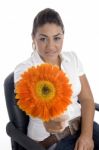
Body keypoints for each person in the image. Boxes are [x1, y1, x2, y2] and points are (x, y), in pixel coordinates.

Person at [14, 8, 99, 150]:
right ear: (33, 37)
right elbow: (31, 101)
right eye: (43, 39)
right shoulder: (24, 69)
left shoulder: (72, 58)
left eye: (57, 38)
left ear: (63, 36)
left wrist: (86, 136)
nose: (51, 46)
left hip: (83, 127)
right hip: (53, 140)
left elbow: (87, 99)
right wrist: (50, 121)